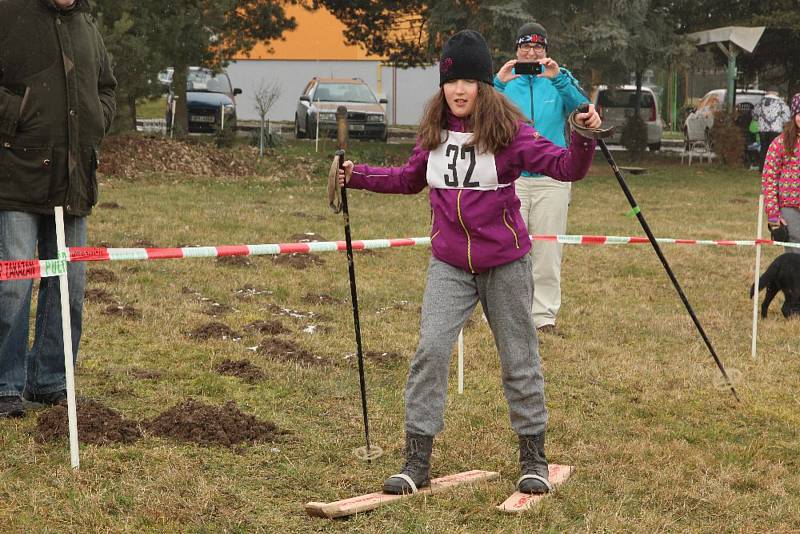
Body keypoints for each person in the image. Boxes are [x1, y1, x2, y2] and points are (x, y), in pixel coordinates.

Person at [338, 29, 600, 495]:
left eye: (469, 81)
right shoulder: (435, 132)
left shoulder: (510, 131)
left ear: (484, 84)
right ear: (442, 85)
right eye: (450, 81)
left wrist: (582, 137)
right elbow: (406, 179)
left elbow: (566, 168)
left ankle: (533, 457)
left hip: (505, 263)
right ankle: (416, 461)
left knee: (519, 359)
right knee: (430, 352)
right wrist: (355, 176)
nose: (459, 90)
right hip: (450, 264)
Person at [0, 0, 116, 418]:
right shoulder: (8, 13)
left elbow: (107, 88)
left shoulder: (86, 23)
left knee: (70, 286)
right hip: (16, 176)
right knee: (13, 285)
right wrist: (20, 112)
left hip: (73, 181)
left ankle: (49, 380)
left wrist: (96, 121)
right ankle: (4, 385)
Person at [493, 22, 589, 335]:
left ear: (545, 51)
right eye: (525, 47)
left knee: (547, 250)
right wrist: (498, 84)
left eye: (538, 47)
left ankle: (544, 316)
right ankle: (501, 310)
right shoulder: (507, 82)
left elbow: (584, 110)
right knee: (506, 245)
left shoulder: (558, 78)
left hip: (552, 177)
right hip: (513, 177)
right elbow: (481, 116)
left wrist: (559, 79)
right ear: (516, 50)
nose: (532, 52)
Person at [762, 93, 800, 253]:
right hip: (790, 208)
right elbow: (769, 178)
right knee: (795, 255)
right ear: (794, 115)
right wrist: (773, 215)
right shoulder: (780, 143)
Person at [753, 92, 792, 171]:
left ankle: (762, 168)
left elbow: (754, 115)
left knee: (764, 148)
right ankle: (774, 168)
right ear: (776, 93)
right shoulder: (781, 103)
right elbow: (787, 118)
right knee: (775, 149)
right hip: (776, 129)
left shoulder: (760, 102)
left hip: (763, 129)